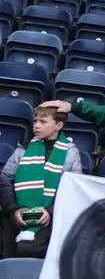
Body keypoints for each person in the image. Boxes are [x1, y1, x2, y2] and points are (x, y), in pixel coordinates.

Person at [0, 105, 83, 258]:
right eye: (35, 121)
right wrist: (13, 210)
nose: (36, 126)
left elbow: (73, 189)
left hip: (50, 215)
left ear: (58, 125)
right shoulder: (24, 148)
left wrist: (50, 211)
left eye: (43, 122)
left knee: (28, 249)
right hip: (18, 210)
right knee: (7, 253)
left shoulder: (71, 153)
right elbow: (5, 179)